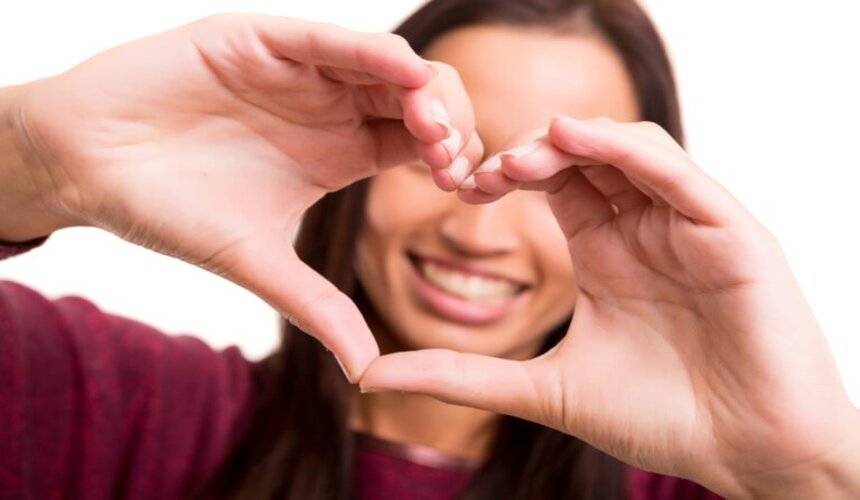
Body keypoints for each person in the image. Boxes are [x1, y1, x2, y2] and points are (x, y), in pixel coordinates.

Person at [1, 1, 858, 499]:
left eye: (563, 180)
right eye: (442, 152)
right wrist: (31, 155)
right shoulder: (111, 406)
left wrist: (813, 467)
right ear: (357, 164)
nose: (478, 230)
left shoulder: (735, 482)